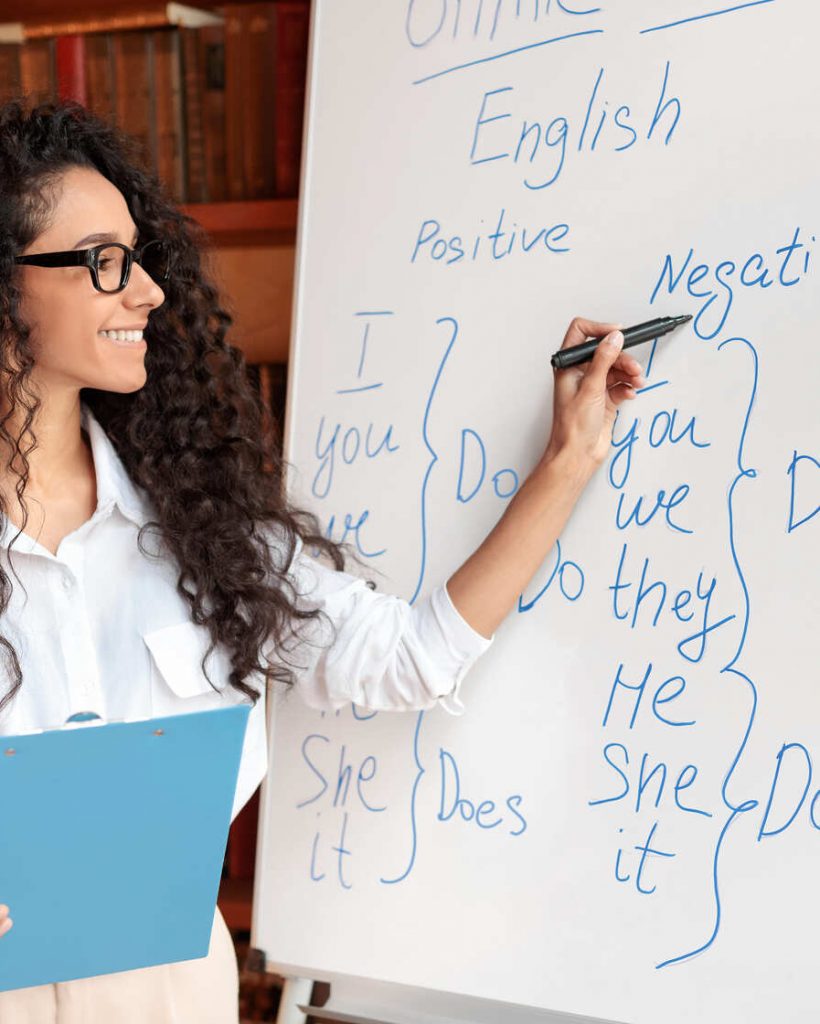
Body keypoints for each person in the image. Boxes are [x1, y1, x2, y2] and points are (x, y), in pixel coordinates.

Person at [0, 97, 645, 1023]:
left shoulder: (197, 525)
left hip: (177, 992)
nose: (147, 290)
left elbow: (411, 658)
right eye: (106, 262)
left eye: (139, 258)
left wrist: (570, 457)